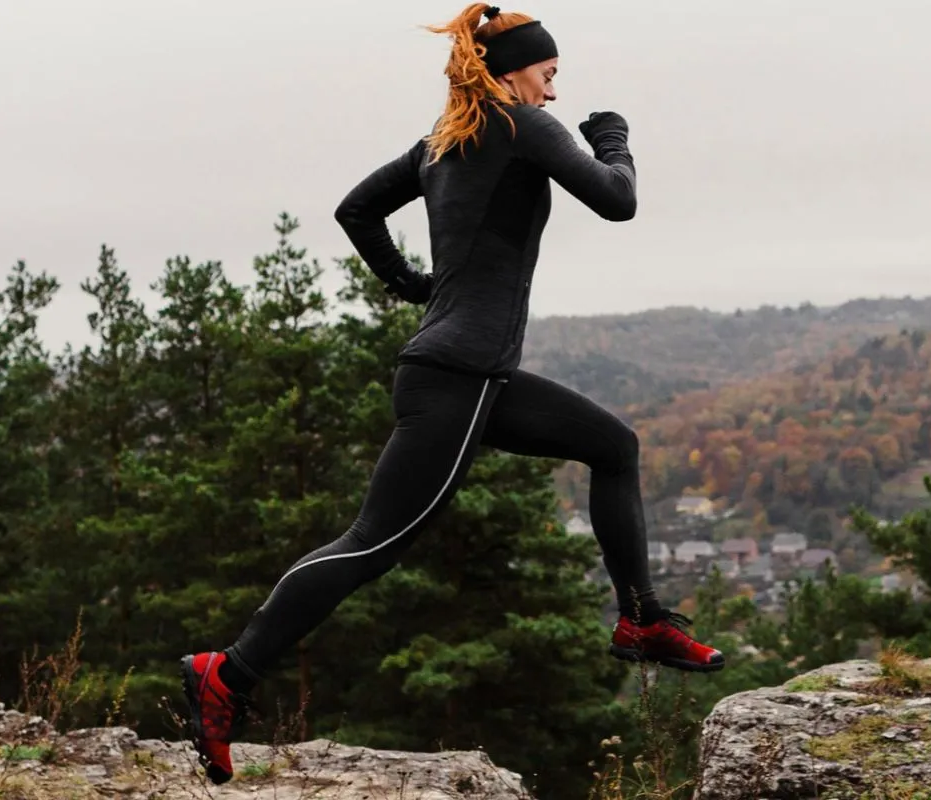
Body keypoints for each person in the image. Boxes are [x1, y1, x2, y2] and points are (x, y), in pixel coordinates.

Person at [179, 2, 724, 785]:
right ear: (515, 72)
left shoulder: (444, 140)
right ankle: (228, 673)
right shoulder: (521, 125)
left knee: (614, 446)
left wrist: (410, 284)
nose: (554, 91)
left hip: (471, 374)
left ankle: (640, 621)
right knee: (372, 542)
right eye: (549, 74)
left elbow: (356, 209)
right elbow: (617, 198)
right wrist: (613, 138)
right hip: (459, 378)